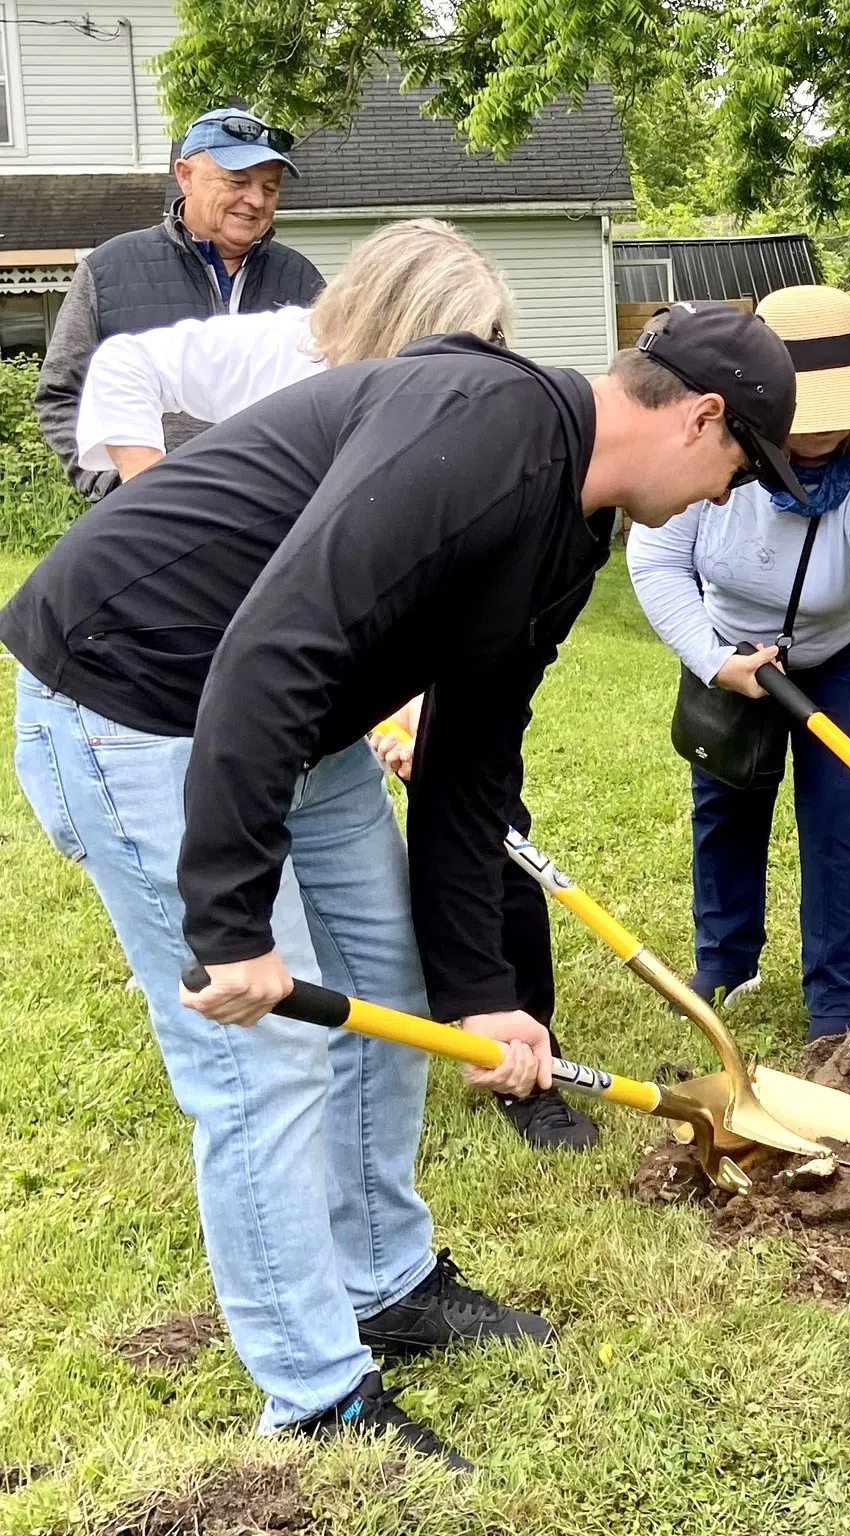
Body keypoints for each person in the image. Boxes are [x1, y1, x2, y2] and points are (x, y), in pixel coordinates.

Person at [1, 303, 804, 1463]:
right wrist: (230, 918)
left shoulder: (568, 526)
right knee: (260, 1059)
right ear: (700, 416)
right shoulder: (484, 426)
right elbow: (272, 645)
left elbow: (473, 757)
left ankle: (385, 1283)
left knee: (389, 984)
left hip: (297, 724)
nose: (730, 496)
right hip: (137, 697)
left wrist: (483, 988)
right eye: (741, 465)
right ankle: (316, 1396)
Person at [71, 219, 595, 1153]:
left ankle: (403, 1249)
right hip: (182, 682)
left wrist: (403, 710)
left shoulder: (462, 432)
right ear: (394, 320)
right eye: (457, 345)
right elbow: (120, 371)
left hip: (315, 684)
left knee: (432, 893)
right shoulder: (276, 354)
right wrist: (149, 494)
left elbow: (383, 602)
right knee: (266, 1045)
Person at [628, 284, 850, 1042]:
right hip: (732, 647)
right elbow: (656, 564)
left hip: (843, 657)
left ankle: (836, 1007)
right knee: (726, 806)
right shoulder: (710, 455)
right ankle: (725, 963)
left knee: (844, 822)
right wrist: (715, 663)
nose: (825, 429)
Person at [35, 107, 325, 499]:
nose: (255, 200)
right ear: (185, 176)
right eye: (237, 180)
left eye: (270, 188)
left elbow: (331, 396)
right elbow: (60, 394)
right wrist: (112, 486)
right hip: (156, 521)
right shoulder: (108, 271)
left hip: (276, 516)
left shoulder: (302, 279)